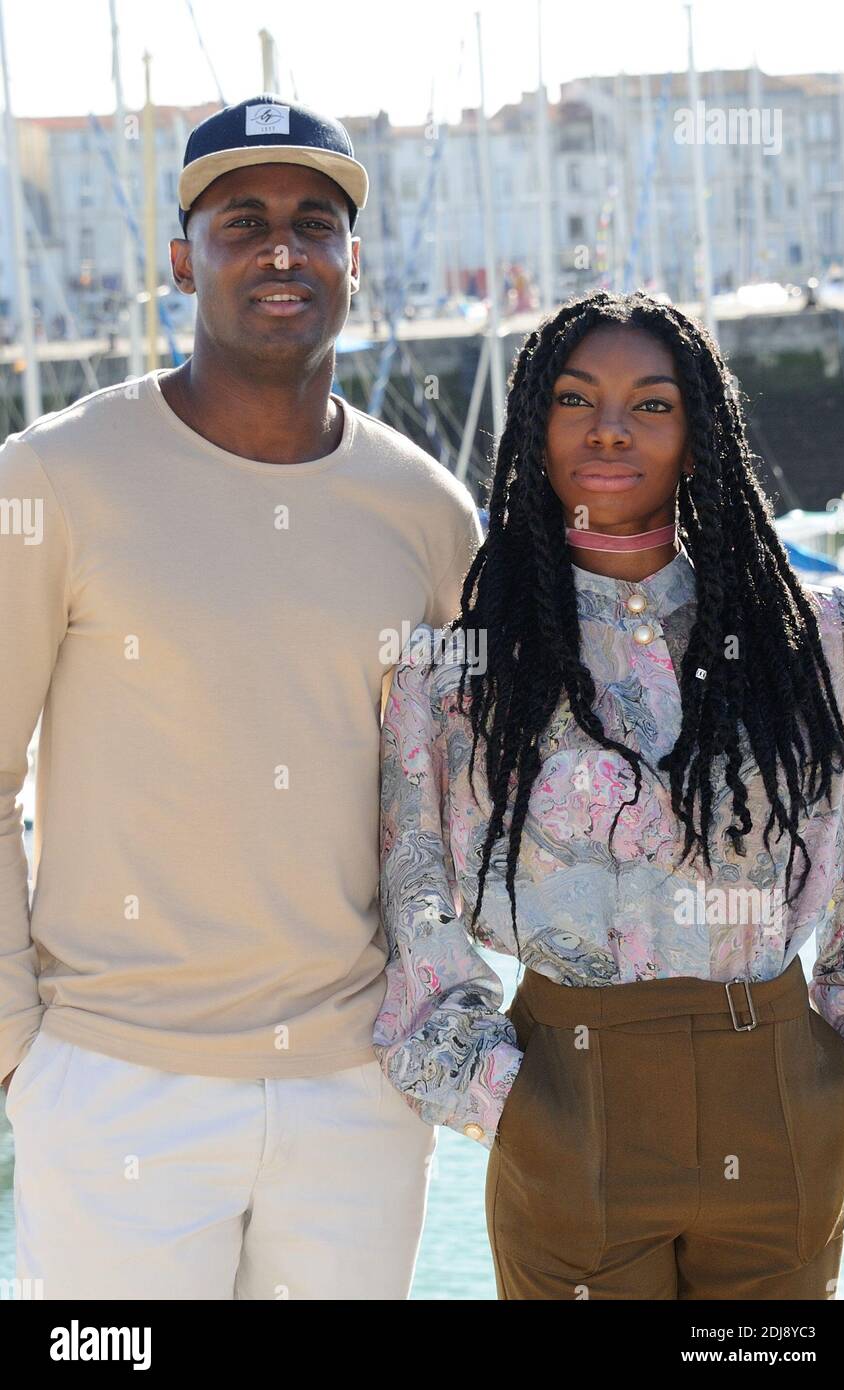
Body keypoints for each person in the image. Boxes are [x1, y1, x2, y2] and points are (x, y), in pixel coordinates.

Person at [0, 95, 483, 1300]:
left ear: (352, 263)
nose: (282, 248)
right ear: (182, 259)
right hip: (112, 1083)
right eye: (241, 221)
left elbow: (474, 799)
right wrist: (20, 1049)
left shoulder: (428, 514)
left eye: (314, 223)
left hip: (357, 1089)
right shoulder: (50, 478)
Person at [374, 287, 844, 1300]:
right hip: (565, 1101)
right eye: (573, 398)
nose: (608, 427)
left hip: (779, 1098)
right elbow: (412, 905)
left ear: (696, 433)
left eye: (649, 403)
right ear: (532, 426)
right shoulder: (457, 672)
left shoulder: (821, 643)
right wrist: (509, 1103)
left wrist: (840, 1062)